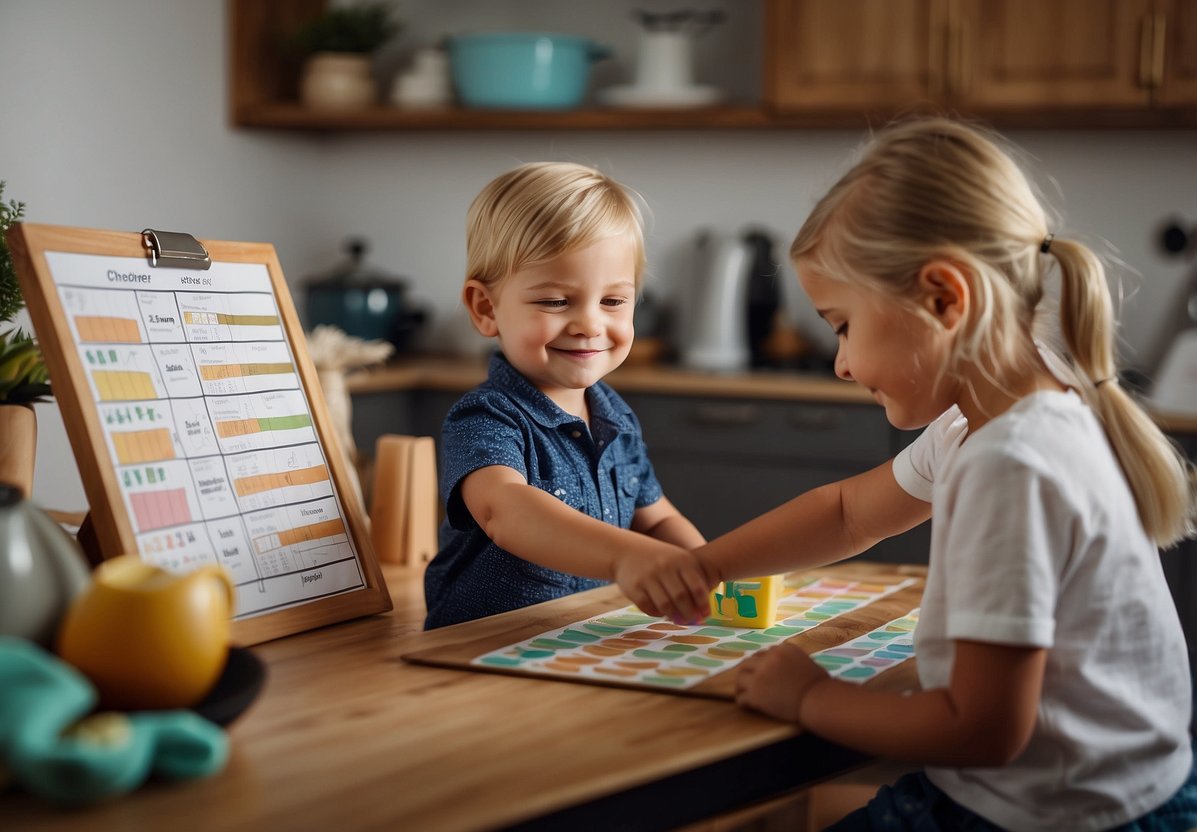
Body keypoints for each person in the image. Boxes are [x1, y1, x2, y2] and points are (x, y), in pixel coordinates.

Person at [619, 118, 1197, 830]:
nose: (839, 364)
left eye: (842, 325)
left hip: (1063, 820)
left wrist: (809, 697)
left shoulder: (1012, 464)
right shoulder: (992, 420)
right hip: (1091, 797)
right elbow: (846, 513)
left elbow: (979, 731)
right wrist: (707, 564)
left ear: (942, 299)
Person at [423, 161, 709, 629]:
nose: (590, 325)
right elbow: (506, 512)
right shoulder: (486, 416)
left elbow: (655, 520)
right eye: (556, 301)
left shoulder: (616, 417)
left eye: (613, 301)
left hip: (579, 634)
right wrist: (626, 558)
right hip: (483, 646)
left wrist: (705, 566)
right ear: (486, 308)